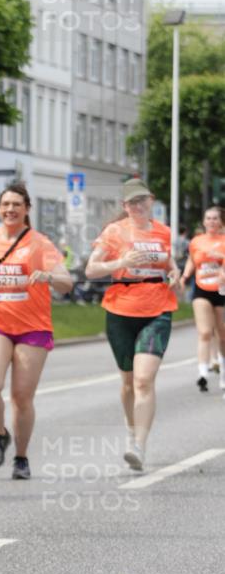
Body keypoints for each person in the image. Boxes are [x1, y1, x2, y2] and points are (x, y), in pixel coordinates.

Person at [0, 182, 72, 480]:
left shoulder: (41, 244)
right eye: (5, 204)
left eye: (17, 204)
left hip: (33, 327)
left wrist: (51, 276)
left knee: (21, 396)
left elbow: (67, 283)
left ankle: (21, 456)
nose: (10, 209)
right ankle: (0, 434)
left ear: (27, 209)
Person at [85, 178, 181, 472]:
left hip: (158, 310)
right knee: (127, 382)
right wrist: (119, 262)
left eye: (143, 200)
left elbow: (167, 263)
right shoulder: (114, 232)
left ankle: (139, 444)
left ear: (151, 201)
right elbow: (91, 269)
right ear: (125, 206)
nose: (139, 206)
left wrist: (175, 272)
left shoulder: (163, 232)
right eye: (133, 202)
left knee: (143, 380)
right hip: (121, 312)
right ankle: (131, 430)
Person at [179, 206, 225, 392]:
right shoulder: (197, 241)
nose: (212, 221)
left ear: (221, 221)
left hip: (221, 291)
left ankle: (222, 370)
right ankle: (202, 374)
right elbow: (192, 259)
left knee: (222, 335)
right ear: (204, 221)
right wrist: (184, 276)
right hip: (202, 289)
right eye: (208, 218)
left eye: (215, 218)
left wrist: (220, 256)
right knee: (205, 332)